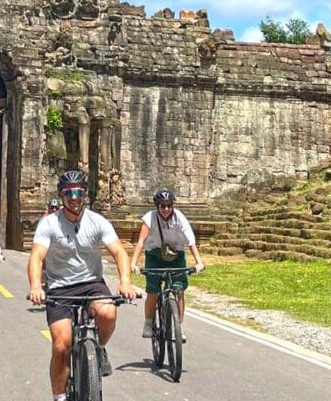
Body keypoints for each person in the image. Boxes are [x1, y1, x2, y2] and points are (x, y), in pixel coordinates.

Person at [28, 170, 138, 401]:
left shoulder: (97, 221)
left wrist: (125, 282)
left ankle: (98, 348)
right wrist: (36, 286)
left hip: (92, 284)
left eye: (78, 192)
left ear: (85, 194)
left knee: (108, 313)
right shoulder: (49, 223)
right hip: (60, 287)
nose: (74, 197)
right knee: (61, 345)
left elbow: (119, 252)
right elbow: (37, 257)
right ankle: (59, 396)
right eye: (69, 193)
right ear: (61, 195)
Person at [130, 188, 205, 342]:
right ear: (157, 206)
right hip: (154, 255)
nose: (166, 209)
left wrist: (199, 262)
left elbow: (190, 241)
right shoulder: (149, 218)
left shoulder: (179, 218)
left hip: (176, 255)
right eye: (162, 206)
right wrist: (133, 263)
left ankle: (179, 326)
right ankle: (148, 322)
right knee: (153, 290)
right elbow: (140, 242)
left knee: (179, 289)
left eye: (169, 206)